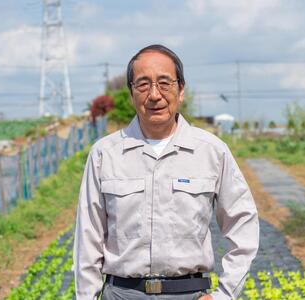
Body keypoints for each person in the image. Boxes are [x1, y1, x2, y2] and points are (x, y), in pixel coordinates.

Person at [74, 44, 259, 300]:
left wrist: (224, 295)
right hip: (121, 294)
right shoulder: (105, 153)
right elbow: (88, 237)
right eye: (143, 84)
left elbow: (243, 222)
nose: (154, 94)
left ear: (180, 90)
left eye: (164, 83)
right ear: (131, 93)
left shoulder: (211, 151)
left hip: (190, 294)